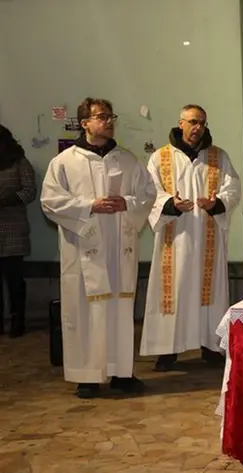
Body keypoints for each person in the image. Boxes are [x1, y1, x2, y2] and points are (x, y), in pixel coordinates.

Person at [41, 97, 155, 398]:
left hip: (119, 250)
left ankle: (121, 372)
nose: (108, 121)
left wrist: (126, 203)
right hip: (84, 251)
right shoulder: (64, 162)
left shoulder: (128, 160)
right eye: (101, 116)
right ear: (85, 123)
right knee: (84, 310)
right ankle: (87, 376)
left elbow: (147, 195)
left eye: (110, 116)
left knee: (118, 307)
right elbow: (50, 203)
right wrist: (90, 206)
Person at [140, 104, 242, 372]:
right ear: (180, 123)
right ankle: (167, 349)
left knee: (209, 290)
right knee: (172, 290)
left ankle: (210, 345)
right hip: (174, 238)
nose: (198, 128)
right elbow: (149, 191)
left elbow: (233, 188)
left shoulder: (218, 157)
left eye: (202, 123)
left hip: (207, 236)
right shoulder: (160, 158)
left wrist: (216, 203)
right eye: (193, 122)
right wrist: (170, 204)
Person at [0, 125, 36, 338]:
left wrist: (9, 199)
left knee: (14, 279)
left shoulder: (20, 162)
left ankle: (17, 321)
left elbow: (30, 191)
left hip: (14, 229)